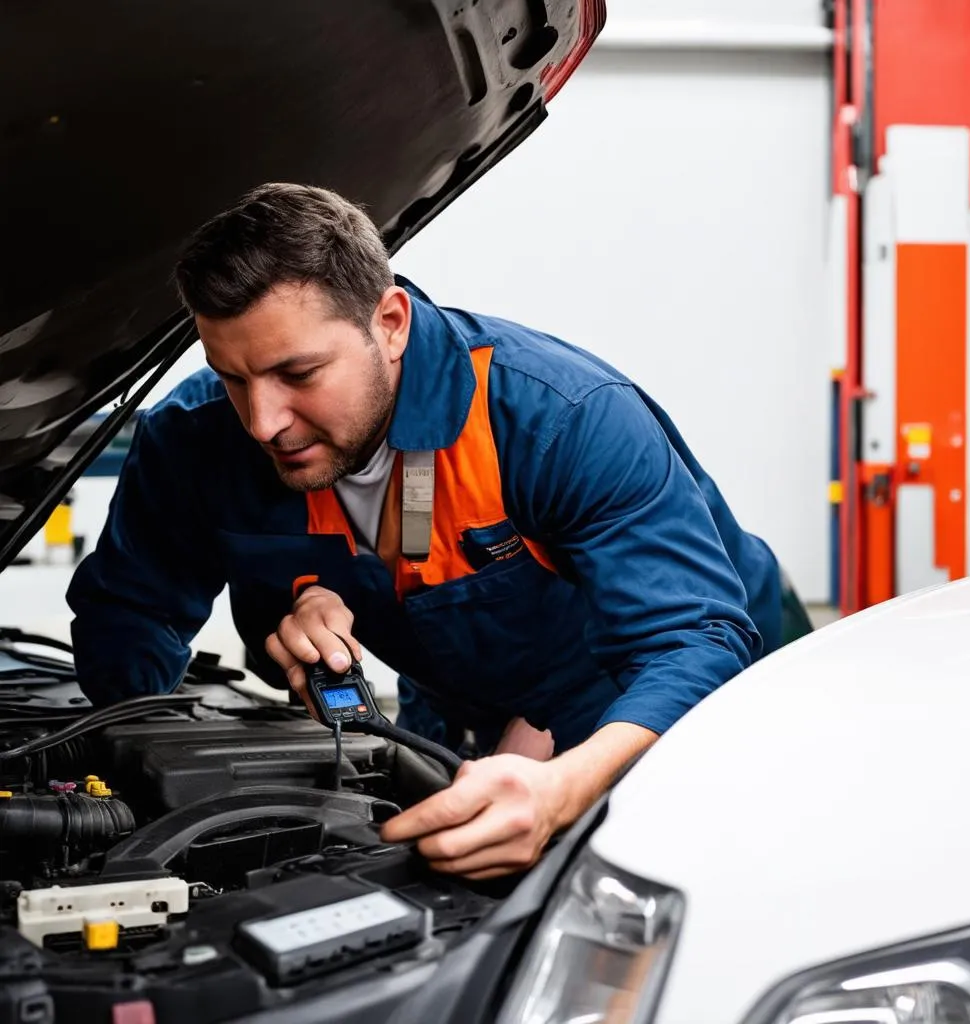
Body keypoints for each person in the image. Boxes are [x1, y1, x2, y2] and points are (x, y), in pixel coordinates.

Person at [67, 182, 811, 879]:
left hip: (716, 691)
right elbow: (132, 616)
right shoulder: (196, 440)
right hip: (464, 699)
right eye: (233, 377)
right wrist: (285, 623)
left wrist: (558, 786)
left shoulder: (557, 416)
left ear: (388, 324)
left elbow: (691, 641)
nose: (263, 422)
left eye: (298, 373)